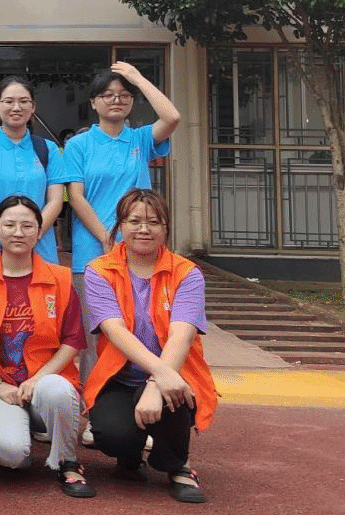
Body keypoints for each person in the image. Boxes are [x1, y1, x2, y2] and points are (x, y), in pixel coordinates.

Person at [0, 195, 94, 498]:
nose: (18, 232)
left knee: (56, 390)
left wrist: (37, 380)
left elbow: (73, 340)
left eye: (27, 226)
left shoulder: (59, 278)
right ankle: (20, 430)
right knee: (9, 453)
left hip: (46, 383)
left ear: (39, 232)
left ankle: (67, 460)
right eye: (9, 225)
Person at [64, 61, 181, 426]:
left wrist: (138, 79)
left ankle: (141, 411)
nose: (116, 100)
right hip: (93, 252)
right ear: (93, 102)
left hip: (141, 253)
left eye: (123, 95)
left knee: (144, 333)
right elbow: (76, 195)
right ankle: (93, 415)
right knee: (95, 337)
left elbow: (172, 117)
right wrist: (104, 234)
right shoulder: (79, 144)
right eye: (107, 95)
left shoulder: (141, 139)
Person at [84, 189, 215, 504]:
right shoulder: (99, 271)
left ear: (166, 228)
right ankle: (128, 456)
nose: (144, 229)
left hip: (175, 374)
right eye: (135, 221)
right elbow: (115, 330)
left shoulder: (187, 273)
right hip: (120, 378)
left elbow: (181, 335)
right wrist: (160, 374)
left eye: (154, 222)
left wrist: (158, 381)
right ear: (120, 225)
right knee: (110, 434)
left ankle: (177, 466)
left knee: (175, 392)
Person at [0, 76, 67, 266]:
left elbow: (55, 201)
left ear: (33, 107)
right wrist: (8, 235)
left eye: (23, 101)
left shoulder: (48, 149)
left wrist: (32, 234)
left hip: (41, 248)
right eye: (9, 101)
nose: (16, 107)